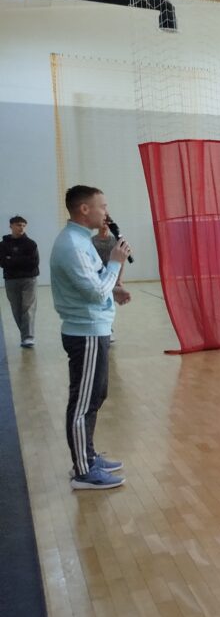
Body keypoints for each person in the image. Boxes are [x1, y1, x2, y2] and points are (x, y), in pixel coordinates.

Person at [50, 185, 131, 490]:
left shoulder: (81, 240)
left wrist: (114, 288)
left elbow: (95, 283)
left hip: (94, 330)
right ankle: (83, 472)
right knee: (84, 403)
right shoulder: (72, 244)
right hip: (85, 333)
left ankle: (88, 456)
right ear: (85, 209)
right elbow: (95, 291)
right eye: (102, 205)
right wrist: (116, 262)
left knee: (95, 396)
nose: (106, 211)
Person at [1, 215, 39, 347]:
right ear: (11, 226)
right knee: (16, 309)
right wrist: (21, 260)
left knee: (27, 308)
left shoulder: (31, 244)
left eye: (23, 225)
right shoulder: (3, 245)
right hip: (11, 280)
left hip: (29, 280)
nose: (21, 228)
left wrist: (12, 259)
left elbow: (33, 263)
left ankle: (28, 337)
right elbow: (3, 262)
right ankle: (25, 335)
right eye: (18, 225)